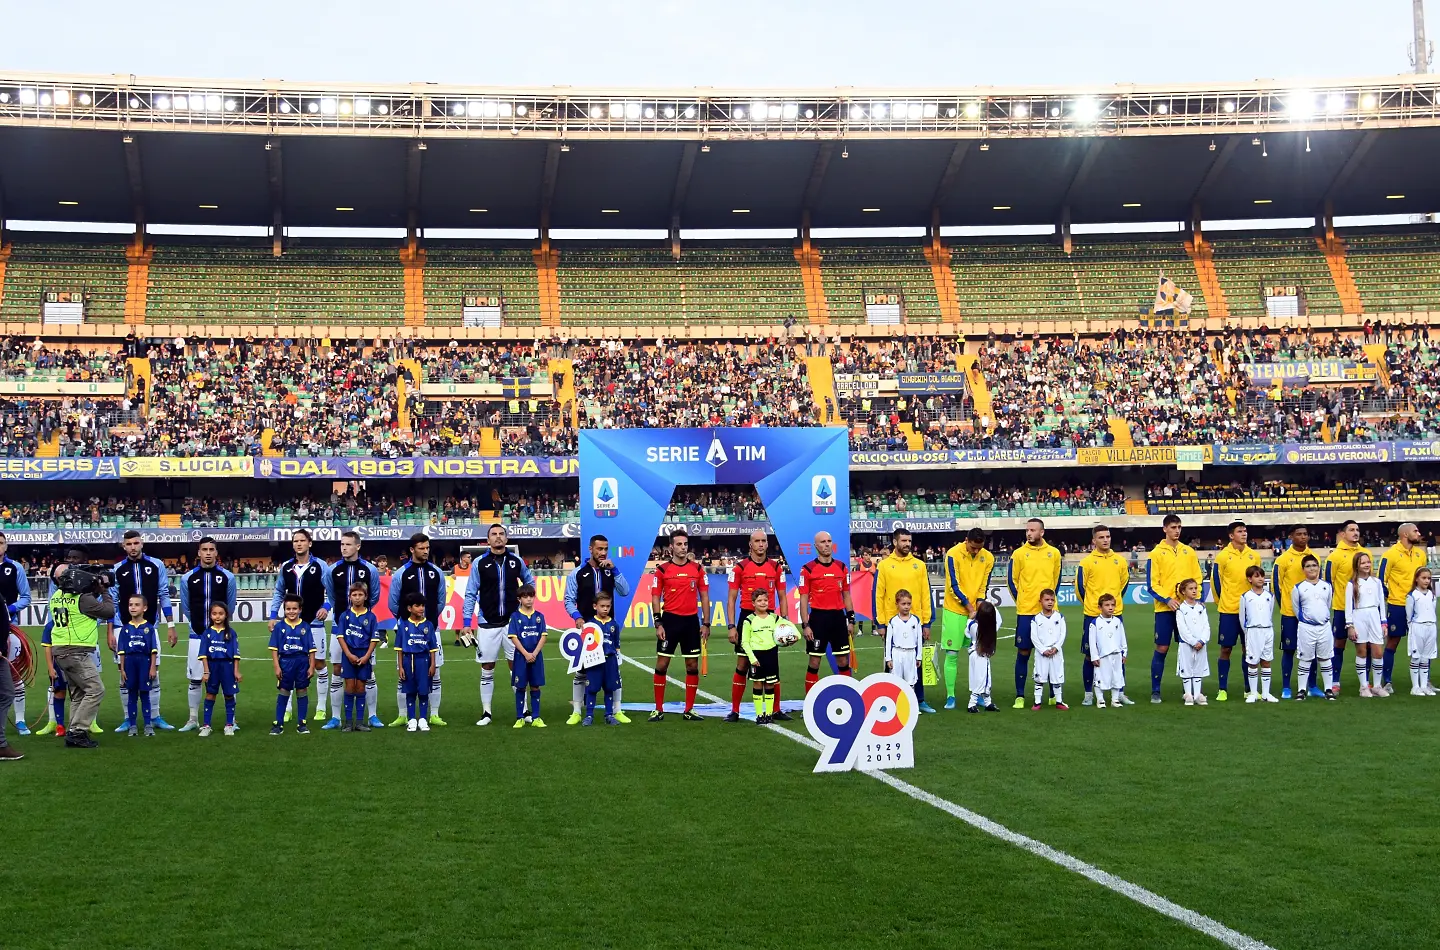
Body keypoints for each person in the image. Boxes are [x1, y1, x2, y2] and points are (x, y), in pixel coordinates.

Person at [462, 525, 535, 727]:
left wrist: (525, 604)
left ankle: (523, 709)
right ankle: (486, 712)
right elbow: (470, 594)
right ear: (488, 540)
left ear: (506, 538)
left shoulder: (516, 561)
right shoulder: (479, 563)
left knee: (517, 667)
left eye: (501, 534)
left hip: (513, 624)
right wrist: (466, 622)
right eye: (493, 534)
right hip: (487, 623)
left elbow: (530, 583)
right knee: (487, 667)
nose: (498, 537)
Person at [109, 530, 176, 733]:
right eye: (128, 544)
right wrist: (110, 630)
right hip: (123, 628)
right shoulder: (117, 569)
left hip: (151, 627)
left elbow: (163, 594)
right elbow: (112, 601)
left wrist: (170, 625)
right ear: (123, 546)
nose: (133, 547)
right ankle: (128, 719)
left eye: (136, 543)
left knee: (153, 673)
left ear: (142, 543)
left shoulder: (156, 565)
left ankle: (154, 716)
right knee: (124, 675)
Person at [48, 556, 116, 748]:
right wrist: (104, 590)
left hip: (62, 650)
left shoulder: (56, 596)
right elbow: (109, 611)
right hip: (74, 651)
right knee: (96, 690)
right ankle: (78, 731)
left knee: (79, 692)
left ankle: (73, 731)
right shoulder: (83, 599)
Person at [564, 534, 631, 725]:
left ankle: (617, 710)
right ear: (590, 549)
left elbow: (625, 591)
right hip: (586, 631)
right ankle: (577, 711)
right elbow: (568, 600)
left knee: (613, 671)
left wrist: (615, 569)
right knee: (581, 671)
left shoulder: (611, 571)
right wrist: (577, 618)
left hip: (608, 630)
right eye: (599, 549)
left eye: (605, 549)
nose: (602, 553)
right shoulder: (577, 573)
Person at [269, 528, 334, 725]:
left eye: (302, 541)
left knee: (320, 664)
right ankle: (287, 708)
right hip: (289, 625)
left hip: (314, 623)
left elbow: (333, 591)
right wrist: (273, 616)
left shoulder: (321, 566)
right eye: (295, 541)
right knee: (287, 665)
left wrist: (326, 606)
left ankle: (321, 707)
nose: (298, 544)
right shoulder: (286, 567)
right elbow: (279, 591)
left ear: (309, 543)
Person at [726, 529, 790, 723]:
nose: (761, 544)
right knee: (743, 664)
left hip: (770, 619)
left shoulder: (777, 567)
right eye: (757, 541)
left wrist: (784, 622)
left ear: (767, 544)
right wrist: (731, 626)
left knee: (772, 665)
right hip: (747, 617)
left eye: (764, 541)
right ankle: (735, 711)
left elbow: (782, 596)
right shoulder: (740, 568)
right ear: (750, 544)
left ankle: (776, 710)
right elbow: (731, 599)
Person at [388, 533, 450, 727]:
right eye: (422, 548)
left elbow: (441, 601)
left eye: (427, 547)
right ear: (412, 550)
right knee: (403, 671)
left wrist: (429, 621)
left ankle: (434, 714)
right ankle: (403, 714)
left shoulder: (436, 572)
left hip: (431, 629)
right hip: (406, 630)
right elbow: (393, 603)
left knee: (435, 671)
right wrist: (405, 623)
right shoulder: (401, 573)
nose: (425, 551)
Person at [177, 537, 237, 732]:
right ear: (199, 553)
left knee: (228, 679)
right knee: (195, 678)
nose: (208, 552)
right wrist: (199, 626)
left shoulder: (228, 577)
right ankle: (193, 718)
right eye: (205, 549)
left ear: (216, 553)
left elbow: (231, 604)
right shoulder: (188, 578)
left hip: (223, 636)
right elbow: (186, 607)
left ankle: (232, 720)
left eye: (212, 549)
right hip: (197, 634)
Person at [649, 529, 709, 722]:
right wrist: (658, 622)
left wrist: (706, 623)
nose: (683, 548)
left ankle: (689, 710)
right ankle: (658, 709)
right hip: (670, 621)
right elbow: (655, 597)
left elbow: (705, 597)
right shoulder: (662, 570)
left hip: (691, 622)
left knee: (692, 666)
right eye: (679, 544)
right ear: (671, 547)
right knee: (662, 664)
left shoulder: (698, 569)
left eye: (685, 544)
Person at [325, 530, 381, 730]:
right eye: (342, 544)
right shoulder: (333, 570)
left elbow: (374, 596)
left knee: (368, 673)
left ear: (358, 546)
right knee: (338, 671)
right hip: (340, 627)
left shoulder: (370, 570)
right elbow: (332, 596)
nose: (344, 548)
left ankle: (372, 715)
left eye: (348, 544)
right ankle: (336, 717)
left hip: (364, 630)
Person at [875, 527, 935, 713]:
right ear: (895, 542)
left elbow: (926, 594)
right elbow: (878, 594)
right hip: (892, 623)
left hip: (915, 622)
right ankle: (889, 700)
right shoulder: (884, 565)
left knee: (916, 660)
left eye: (909, 541)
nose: (907, 544)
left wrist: (927, 622)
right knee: (891, 660)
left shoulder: (920, 565)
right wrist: (880, 623)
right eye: (903, 541)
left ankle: (919, 699)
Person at [1146, 514, 1203, 703]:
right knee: (1162, 647)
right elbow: (1152, 584)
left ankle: (1190, 690)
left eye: (1179, 527)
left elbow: (1198, 578)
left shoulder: (1189, 551)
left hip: (1186, 609)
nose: (1177, 530)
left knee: (1188, 647)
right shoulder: (1156, 553)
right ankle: (1155, 690)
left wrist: (1196, 598)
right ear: (1165, 529)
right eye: (1172, 527)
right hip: (1165, 609)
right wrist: (1168, 599)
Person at [1008, 519, 1063, 709]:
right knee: (1024, 652)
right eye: (1027, 530)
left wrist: (1049, 603)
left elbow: (1056, 580)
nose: (1028, 533)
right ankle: (1020, 695)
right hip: (1026, 612)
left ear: (1042, 532)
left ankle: (1052, 696)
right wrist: (1022, 601)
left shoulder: (1054, 553)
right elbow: (1011, 580)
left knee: (1051, 653)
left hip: (1049, 614)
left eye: (1032, 530)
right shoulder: (1019, 554)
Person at [1075, 525, 1131, 707]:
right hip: (1092, 615)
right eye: (1101, 537)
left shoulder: (1120, 561)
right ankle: (1089, 693)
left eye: (1107, 536)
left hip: (1116, 616)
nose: (1105, 540)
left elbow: (1124, 584)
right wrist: (1092, 606)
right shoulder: (1087, 562)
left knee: (1118, 654)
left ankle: (1119, 692)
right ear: (1094, 541)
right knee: (1090, 655)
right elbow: (1080, 588)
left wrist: (1113, 606)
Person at [797, 530, 856, 695]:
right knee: (814, 662)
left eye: (829, 541)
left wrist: (851, 620)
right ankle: (810, 703)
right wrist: (806, 625)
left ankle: (847, 698)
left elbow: (846, 595)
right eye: (822, 542)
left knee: (843, 660)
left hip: (838, 619)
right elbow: (803, 598)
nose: (827, 544)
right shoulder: (807, 569)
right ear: (816, 546)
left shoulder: (842, 567)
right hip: (818, 620)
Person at [941, 527, 994, 709]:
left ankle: (978, 693)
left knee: (977, 655)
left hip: (975, 612)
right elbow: (953, 585)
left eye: (979, 548)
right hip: (954, 611)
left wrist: (978, 608)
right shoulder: (953, 554)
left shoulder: (988, 558)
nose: (976, 551)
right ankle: (950, 696)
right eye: (973, 548)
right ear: (966, 540)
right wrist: (970, 608)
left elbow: (983, 586)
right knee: (952, 653)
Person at [1212, 521, 1262, 702]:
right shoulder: (1223, 556)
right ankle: (1222, 689)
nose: (1244, 534)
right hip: (1229, 610)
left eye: (1245, 531)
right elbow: (1215, 582)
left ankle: (1249, 689)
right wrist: (1223, 602)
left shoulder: (1254, 555)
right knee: (1225, 649)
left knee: (1247, 649)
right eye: (1240, 531)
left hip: (1249, 611)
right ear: (1231, 535)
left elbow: (1257, 580)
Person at [1378, 522, 1426, 695]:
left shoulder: (1420, 554)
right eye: (1415, 531)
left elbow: (1423, 578)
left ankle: (1424, 681)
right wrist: (1391, 596)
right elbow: (1381, 579)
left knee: (1423, 643)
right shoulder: (1390, 555)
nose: (1418, 533)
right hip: (1398, 605)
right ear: (1405, 534)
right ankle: (1387, 681)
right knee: (1393, 641)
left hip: (1419, 606)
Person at [1323, 520, 1368, 695]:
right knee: (1339, 644)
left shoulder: (1365, 553)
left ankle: (1365, 682)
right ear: (1343, 534)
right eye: (1351, 530)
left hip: (1363, 609)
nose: (1355, 533)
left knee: (1367, 645)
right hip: (1342, 607)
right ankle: (1335, 681)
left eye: (1357, 529)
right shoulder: (1334, 556)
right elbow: (1328, 582)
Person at [1271, 525, 1312, 698]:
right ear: (1290, 537)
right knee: (1289, 649)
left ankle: (1312, 685)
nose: (1303, 537)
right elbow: (1276, 585)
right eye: (1299, 534)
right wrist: (1285, 607)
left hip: (1311, 614)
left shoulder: (1313, 557)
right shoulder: (1283, 559)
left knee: (1312, 650)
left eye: (1305, 534)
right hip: (1290, 613)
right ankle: (1286, 686)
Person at [269, 594, 318, 736]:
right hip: (285, 662)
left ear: (300, 609)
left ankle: (302, 723)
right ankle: (278, 723)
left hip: (302, 662)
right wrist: (277, 666)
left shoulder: (305, 627)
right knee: (284, 691)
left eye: (294, 609)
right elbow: (274, 649)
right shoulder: (279, 627)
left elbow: (311, 649)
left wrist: (311, 666)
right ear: (284, 610)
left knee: (302, 691)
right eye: (288, 609)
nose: (291, 611)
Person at [1291, 555, 1337, 701]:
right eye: (1308, 566)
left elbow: (1327, 605)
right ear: (1303, 569)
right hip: (1306, 628)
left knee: (1325, 658)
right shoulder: (1298, 588)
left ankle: (1328, 689)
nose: (1312, 568)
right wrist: (1307, 621)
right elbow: (1296, 608)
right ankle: (1301, 690)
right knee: (1305, 659)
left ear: (1319, 567)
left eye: (1314, 565)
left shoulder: (1327, 586)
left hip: (1324, 627)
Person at [336, 582, 380, 732]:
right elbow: (340, 636)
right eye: (354, 595)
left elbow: (374, 639)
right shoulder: (345, 616)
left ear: (366, 596)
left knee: (361, 687)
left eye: (360, 594)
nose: (357, 597)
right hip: (348, 654)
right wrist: (348, 654)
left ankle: (360, 722)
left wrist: (367, 656)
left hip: (364, 654)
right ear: (349, 597)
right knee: (349, 686)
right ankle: (348, 722)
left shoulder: (371, 617)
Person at [1344, 552, 1388, 698]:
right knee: (1362, 651)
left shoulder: (1377, 582)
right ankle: (1364, 686)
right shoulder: (1352, 584)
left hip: (1374, 616)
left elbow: (1382, 603)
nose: (1367, 565)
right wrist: (1350, 625)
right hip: (1359, 617)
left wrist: (1383, 622)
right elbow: (1348, 606)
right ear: (1357, 565)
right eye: (1363, 563)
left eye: (1368, 562)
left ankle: (1376, 685)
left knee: (1378, 652)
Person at [394, 592, 438, 732]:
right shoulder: (403, 625)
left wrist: (432, 664)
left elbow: (432, 648)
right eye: (417, 605)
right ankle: (412, 719)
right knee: (410, 691)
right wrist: (400, 666)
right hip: (408, 661)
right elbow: (399, 649)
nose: (421, 608)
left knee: (424, 691)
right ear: (409, 608)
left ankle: (423, 719)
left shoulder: (429, 625)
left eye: (423, 605)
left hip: (423, 661)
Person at [116, 595, 159, 737]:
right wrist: (122, 669)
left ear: (144, 608)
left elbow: (153, 650)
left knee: (145, 694)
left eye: (136, 605)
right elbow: (121, 651)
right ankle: (133, 726)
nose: (133, 607)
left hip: (144, 662)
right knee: (132, 695)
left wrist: (153, 667)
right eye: (130, 605)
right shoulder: (125, 629)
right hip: (130, 663)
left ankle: (148, 725)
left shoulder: (149, 628)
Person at [198, 602, 242, 738]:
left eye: (221, 613)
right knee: (210, 694)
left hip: (227, 667)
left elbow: (236, 655)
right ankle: (206, 725)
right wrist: (206, 671)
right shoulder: (207, 633)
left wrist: (236, 671)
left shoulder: (231, 633)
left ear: (226, 615)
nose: (217, 616)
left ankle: (229, 724)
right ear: (210, 615)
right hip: (212, 667)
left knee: (229, 695)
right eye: (214, 613)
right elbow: (203, 655)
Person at [508, 583, 549, 728]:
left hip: (536, 657)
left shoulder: (539, 616)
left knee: (535, 686)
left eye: (531, 596)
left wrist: (535, 653)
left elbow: (543, 636)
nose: (529, 599)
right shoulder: (515, 616)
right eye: (525, 597)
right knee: (520, 687)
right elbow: (513, 637)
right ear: (519, 599)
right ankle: (520, 717)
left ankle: (536, 717)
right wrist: (526, 654)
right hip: (521, 657)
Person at [740, 587, 781, 724]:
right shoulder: (749, 620)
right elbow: (745, 642)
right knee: (758, 683)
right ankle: (759, 714)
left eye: (765, 600)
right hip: (756, 656)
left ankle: (769, 714)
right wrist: (752, 658)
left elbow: (791, 630)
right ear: (753, 603)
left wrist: (791, 639)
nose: (763, 603)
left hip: (771, 655)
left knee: (770, 684)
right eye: (759, 601)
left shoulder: (775, 618)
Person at [1239, 565, 1278, 703]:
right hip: (1253, 631)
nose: (1260, 578)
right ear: (1249, 579)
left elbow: (1270, 612)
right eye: (1256, 576)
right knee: (1253, 662)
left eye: (1262, 576)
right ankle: (1254, 693)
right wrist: (1248, 632)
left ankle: (1266, 694)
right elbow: (1242, 618)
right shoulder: (1245, 596)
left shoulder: (1270, 596)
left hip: (1267, 630)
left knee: (1266, 661)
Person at [582, 592, 622, 726]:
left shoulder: (614, 624)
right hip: (594, 661)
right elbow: (585, 645)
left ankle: (609, 715)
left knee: (609, 688)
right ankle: (589, 715)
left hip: (610, 661)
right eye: (602, 606)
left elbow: (616, 644)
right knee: (592, 688)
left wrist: (618, 658)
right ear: (595, 606)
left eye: (608, 606)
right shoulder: (590, 624)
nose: (605, 609)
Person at [1174, 578, 1210, 706]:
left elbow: (1206, 626)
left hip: (1201, 644)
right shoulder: (1181, 609)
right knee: (1187, 667)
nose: (1194, 591)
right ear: (1183, 591)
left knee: (1198, 668)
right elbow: (1182, 629)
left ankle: (1198, 694)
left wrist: (1202, 640)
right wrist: (1193, 642)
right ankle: (1188, 694)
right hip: (1186, 644)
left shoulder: (1201, 607)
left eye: (1195, 588)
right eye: (1191, 589)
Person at [1088, 593, 1127, 709]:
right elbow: (1092, 642)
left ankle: (1115, 700)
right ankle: (1100, 700)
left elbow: (1122, 638)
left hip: (1116, 654)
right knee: (1100, 677)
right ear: (1100, 607)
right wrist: (1094, 656)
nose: (1110, 607)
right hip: (1103, 656)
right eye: (1107, 605)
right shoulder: (1095, 623)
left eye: (1112, 605)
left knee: (1117, 677)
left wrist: (1124, 652)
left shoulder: (1117, 622)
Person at [1030, 589, 1067, 710]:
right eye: (1047, 600)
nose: (1050, 602)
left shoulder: (1059, 617)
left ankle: (1059, 701)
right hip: (1042, 654)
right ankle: (1037, 702)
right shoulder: (1036, 619)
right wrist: (1043, 650)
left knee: (1057, 677)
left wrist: (1056, 647)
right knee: (1039, 677)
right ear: (1040, 601)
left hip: (1056, 652)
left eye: (1052, 600)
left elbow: (1063, 634)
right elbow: (1034, 637)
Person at [884, 589, 923, 696]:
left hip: (911, 654)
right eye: (903, 604)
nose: (906, 606)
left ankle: (911, 707)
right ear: (897, 604)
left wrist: (919, 656)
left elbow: (919, 639)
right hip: (897, 653)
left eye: (909, 604)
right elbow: (888, 641)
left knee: (911, 681)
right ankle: (896, 706)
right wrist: (888, 658)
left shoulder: (916, 620)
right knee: (896, 681)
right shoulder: (893, 621)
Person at [1406, 568, 1436, 696]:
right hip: (1418, 627)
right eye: (1423, 578)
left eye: (1428, 578)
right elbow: (1409, 615)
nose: (1426, 580)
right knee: (1416, 657)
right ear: (1417, 579)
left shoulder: (1432, 594)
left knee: (1426, 657)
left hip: (1431, 627)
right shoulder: (1412, 595)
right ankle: (1415, 687)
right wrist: (1412, 627)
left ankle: (1424, 686)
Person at [965, 600, 999, 713]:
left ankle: (987, 702)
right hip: (981, 654)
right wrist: (993, 606)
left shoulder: (972, 625)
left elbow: (966, 632)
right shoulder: (990, 627)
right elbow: (999, 620)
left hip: (973, 652)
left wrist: (970, 617)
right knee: (982, 679)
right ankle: (972, 703)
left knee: (982, 678)